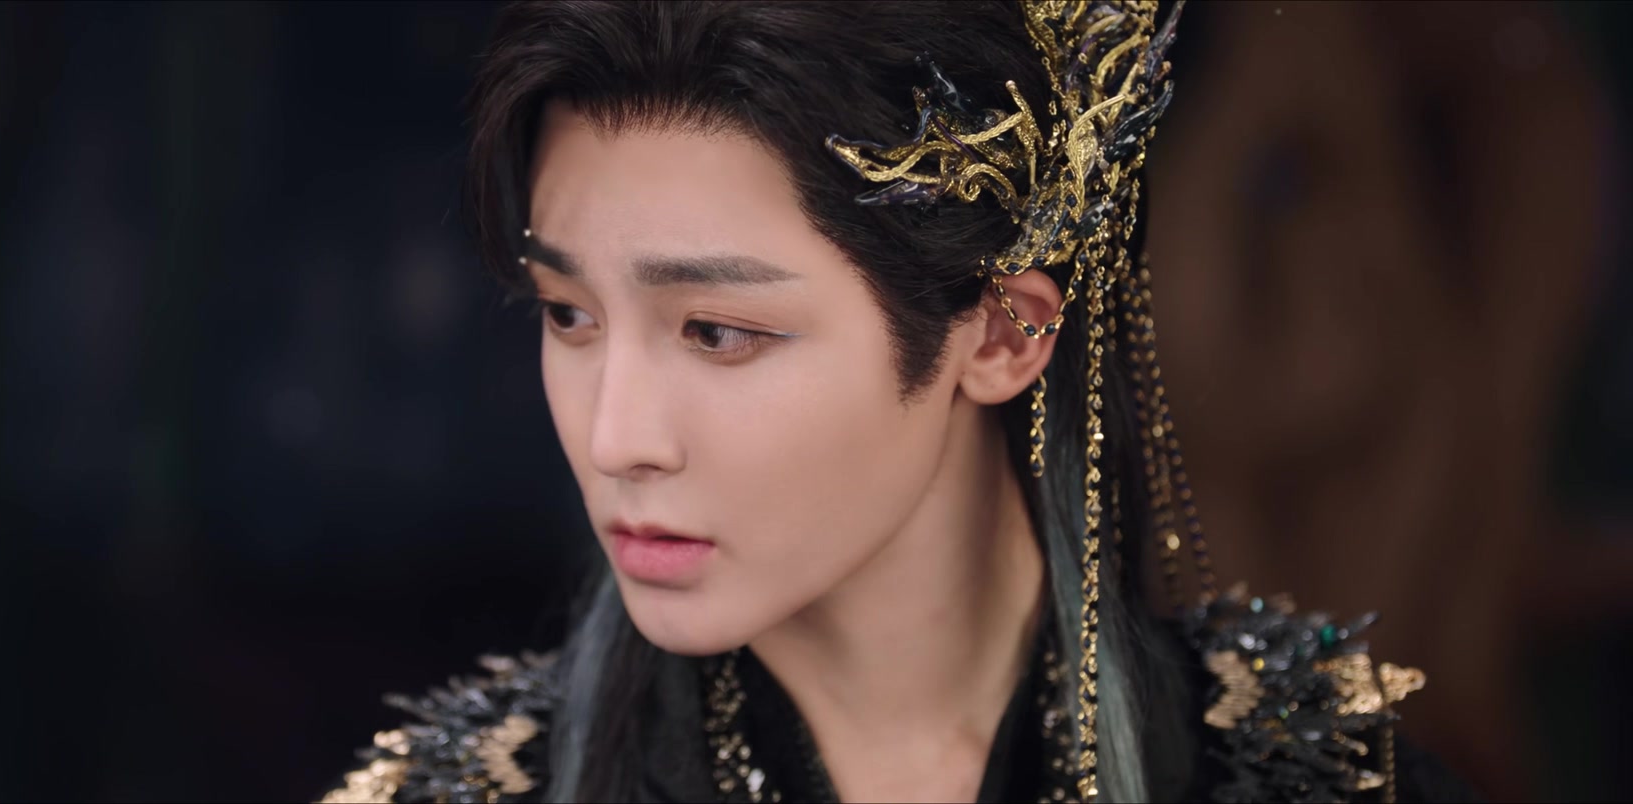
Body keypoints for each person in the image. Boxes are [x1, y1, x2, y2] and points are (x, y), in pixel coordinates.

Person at [325, 2, 1477, 801]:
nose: (615, 436)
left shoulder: (1312, 777)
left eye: (717, 332)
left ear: (1003, 334)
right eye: (568, 315)